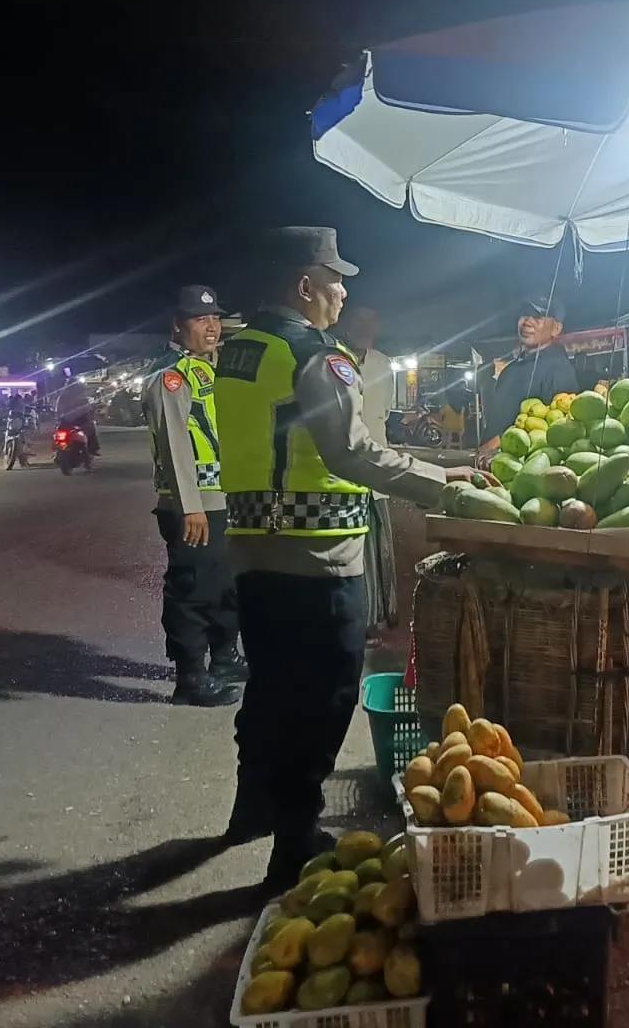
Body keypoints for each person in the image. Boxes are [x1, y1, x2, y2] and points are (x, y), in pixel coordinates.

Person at [213, 225, 484, 882]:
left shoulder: (239, 350)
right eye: (336, 283)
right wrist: (440, 483)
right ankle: (294, 841)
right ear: (305, 285)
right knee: (324, 697)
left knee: (271, 686)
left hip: (252, 549)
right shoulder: (315, 355)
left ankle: (253, 806)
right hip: (319, 557)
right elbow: (350, 452)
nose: (342, 295)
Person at [142, 285, 247, 708]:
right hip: (194, 505)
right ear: (177, 326)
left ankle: (225, 659)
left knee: (225, 584)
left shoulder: (207, 368)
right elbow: (174, 444)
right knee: (193, 589)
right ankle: (190, 676)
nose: (211, 326)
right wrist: (191, 507)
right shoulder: (170, 376)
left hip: (221, 500)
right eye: (200, 319)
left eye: (215, 318)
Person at [338, 305, 399, 638]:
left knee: (378, 549)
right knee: (351, 549)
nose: (364, 329)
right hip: (344, 472)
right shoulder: (332, 359)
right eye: (358, 322)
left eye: (370, 323)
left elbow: (383, 413)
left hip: (378, 468)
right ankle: (355, 619)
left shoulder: (383, 363)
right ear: (346, 324)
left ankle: (376, 617)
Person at [479, 295, 579, 452]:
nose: (527, 322)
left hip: (519, 460)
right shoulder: (510, 369)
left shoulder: (559, 369)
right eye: (524, 314)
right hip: (489, 459)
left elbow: (558, 425)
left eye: (538, 316)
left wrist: (496, 443)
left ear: (556, 328)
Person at [54, 370, 100, 455]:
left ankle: (58, 451)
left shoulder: (62, 396)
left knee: (58, 433)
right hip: (80, 420)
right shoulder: (80, 396)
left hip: (66, 420)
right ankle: (92, 449)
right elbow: (87, 408)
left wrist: (58, 417)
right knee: (91, 428)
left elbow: (58, 409)